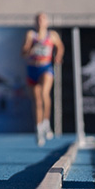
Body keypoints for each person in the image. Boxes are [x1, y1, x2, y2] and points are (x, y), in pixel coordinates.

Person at [22, 12, 64, 145]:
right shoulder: (30, 35)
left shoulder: (52, 35)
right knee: (37, 101)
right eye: (38, 20)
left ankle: (46, 122)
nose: (40, 22)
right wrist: (31, 47)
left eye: (43, 19)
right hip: (32, 68)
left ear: (46, 22)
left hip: (45, 68)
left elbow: (60, 46)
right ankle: (38, 128)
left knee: (45, 93)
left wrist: (58, 56)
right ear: (35, 22)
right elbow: (23, 52)